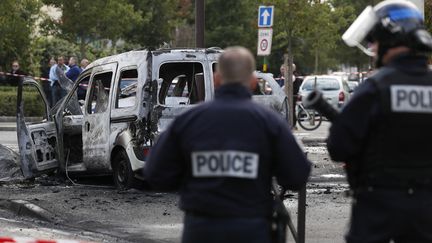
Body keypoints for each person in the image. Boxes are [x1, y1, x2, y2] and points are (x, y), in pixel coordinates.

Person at [144, 46, 311, 243]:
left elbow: (156, 173)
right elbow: (297, 175)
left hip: (201, 230)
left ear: (216, 80)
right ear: (253, 82)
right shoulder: (270, 123)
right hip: (252, 229)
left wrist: (192, 181)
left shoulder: (187, 121)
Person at [327, 1, 432, 242]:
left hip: (378, 207)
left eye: (375, 41)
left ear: (389, 39)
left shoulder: (375, 88)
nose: (373, 48)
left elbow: (338, 147)